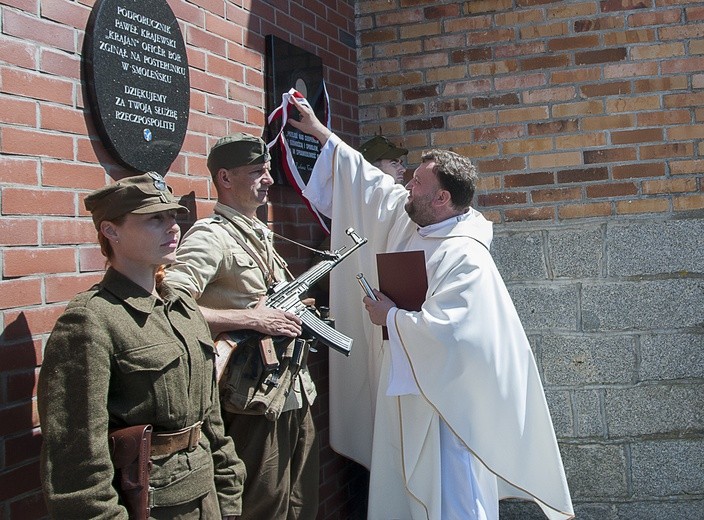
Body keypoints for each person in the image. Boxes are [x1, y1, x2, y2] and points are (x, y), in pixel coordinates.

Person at [288, 97, 574, 520]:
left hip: (446, 412)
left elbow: (455, 336)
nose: (407, 187)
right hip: (408, 393)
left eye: (417, 183)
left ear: (441, 198)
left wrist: (393, 319)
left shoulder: (465, 255)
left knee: (451, 499)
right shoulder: (419, 223)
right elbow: (373, 186)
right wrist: (317, 131)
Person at [37, 171, 245, 519]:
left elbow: (210, 420)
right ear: (111, 230)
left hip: (206, 495)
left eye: (173, 216)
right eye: (155, 219)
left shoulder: (182, 306)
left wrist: (229, 492)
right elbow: (76, 458)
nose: (173, 227)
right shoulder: (91, 320)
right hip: (150, 504)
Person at [164, 134, 319, 520]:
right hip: (252, 397)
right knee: (262, 505)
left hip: (291, 389)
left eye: (268, 170)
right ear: (225, 178)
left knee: (301, 503)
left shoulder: (259, 233)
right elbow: (169, 305)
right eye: (257, 171)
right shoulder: (210, 235)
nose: (267, 179)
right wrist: (251, 319)